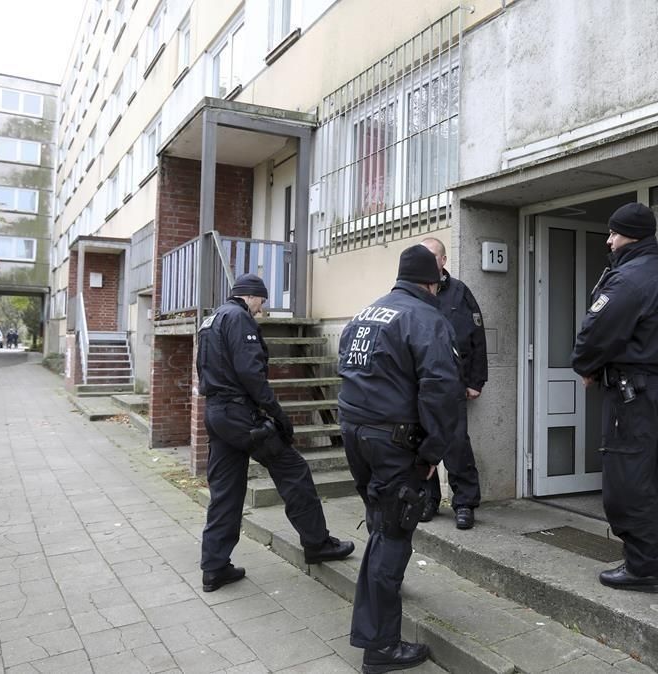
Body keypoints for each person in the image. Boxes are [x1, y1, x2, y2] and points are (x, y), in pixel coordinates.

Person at [337, 244, 463, 673]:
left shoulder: (365, 314)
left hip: (358, 435)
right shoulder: (427, 318)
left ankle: (378, 607)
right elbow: (442, 393)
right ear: (433, 282)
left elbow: (347, 373)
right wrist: (431, 454)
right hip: (393, 442)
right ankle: (380, 646)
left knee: (380, 521)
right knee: (394, 532)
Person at [197, 273, 354, 592]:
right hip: (241, 415)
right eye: (261, 302)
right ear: (251, 296)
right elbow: (251, 374)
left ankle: (214, 567)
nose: (261, 309)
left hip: (216, 413)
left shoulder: (210, 320)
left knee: (226, 491)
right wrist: (278, 415)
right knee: (294, 471)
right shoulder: (238, 319)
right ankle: (317, 543)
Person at [571, 202, 658, 594]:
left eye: (614, 234)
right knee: (649, 470)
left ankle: (641, 568)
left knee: (627, 478)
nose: (609, 240)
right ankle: (648, 552)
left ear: (631, 236)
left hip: (632, 394)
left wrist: (585, 366)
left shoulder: (630, 280)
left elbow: (596, 333)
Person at [416, 237, 487, 530]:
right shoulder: (413, 291)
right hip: (420, 385)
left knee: (457, 445)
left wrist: (475, 380)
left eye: (431, 256)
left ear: (444, 260)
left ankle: (465, 503)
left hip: (453, 384)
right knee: (422, 442)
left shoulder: (460, 292)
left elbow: (477, 339)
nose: (426, 261)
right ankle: (428, 500)